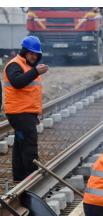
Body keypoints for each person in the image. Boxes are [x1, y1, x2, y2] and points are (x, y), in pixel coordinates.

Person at [2, 36, 48, 182]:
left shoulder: (28, 67)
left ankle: (19, 178)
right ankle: (33, 179)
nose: (34, 56)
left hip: (25, 113)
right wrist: (35, 72)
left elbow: (30, 93)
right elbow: (17, 82)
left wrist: (36, 113)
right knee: (29, 146)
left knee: (20, 145)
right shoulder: (14, 65)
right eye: (31, 53)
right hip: (19, 114)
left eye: (36, 54)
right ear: (24, 52)